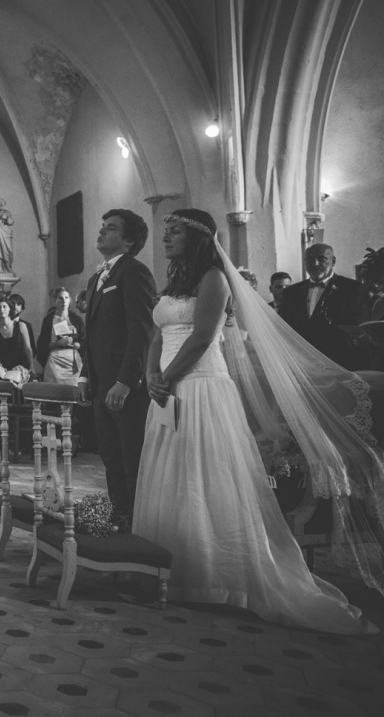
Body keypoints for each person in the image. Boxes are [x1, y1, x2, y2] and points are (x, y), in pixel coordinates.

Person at [136, 208, 379, 634]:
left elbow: (202, 337)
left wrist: (168, 379)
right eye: (166, 231)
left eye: (173, 232)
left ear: (197, 238)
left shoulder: (213, 279)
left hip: (201, 386)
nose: (166, 238)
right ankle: (167, 565)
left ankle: (212, 576)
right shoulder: (173, 283)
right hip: (166, 389)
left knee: (205, 474)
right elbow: (157, 336)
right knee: (171, 474)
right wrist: (151, 376)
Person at [83, 208, 155, 529]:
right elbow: (93, 333)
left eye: (110, 228)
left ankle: (137, 524)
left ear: (128, 241)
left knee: (132, 462)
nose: (102, 232)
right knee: (110, 459)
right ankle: (119, 517)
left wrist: (127, 380)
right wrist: (86, 373)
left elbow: (141, 329)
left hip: (125, 389)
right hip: (101, 386)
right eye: (103, 225)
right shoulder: (97, 278)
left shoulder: (134, 272)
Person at [277, 243, 364, 369]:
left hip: (339, 363)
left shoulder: (352, 289)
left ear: (333, 261)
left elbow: (356, 329)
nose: (315, 263)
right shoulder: (291, 292)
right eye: (310, 259)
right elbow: (282, 326)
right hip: (300, 363)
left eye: (321, 259)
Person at [36, 287, 84, 386]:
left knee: (74, 391)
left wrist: (77, 345)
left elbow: (85, 340)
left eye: (66, 298)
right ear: (55, 300)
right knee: (55, 392)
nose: (64, 301)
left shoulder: (77, 320)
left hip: (72, 364)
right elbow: (42, 344)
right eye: (60, 298)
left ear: (70, 300)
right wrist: (58, 343)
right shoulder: (49, 320)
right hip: (55, 364)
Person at [0, 297, 34, 374]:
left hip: (19, 368)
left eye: (4, 306)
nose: (1, 309)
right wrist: (1, 368)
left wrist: (31, 366)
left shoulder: (21, 326)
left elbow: (28, 348)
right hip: (1, 368)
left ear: (10, 309)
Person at [8, 293, 37, 363]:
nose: (15, 307)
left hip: (21, 364)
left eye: (18, 304)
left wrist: (26, 364)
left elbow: (32, 348)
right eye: (13, 303)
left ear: (22, 308)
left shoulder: (27, 325)